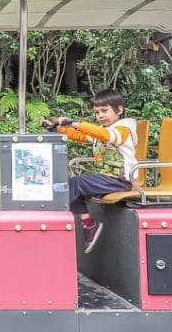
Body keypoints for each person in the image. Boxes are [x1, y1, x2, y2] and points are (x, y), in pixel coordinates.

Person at [42, 89, 138, 253]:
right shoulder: (104, 129)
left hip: (121, 180)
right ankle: (89, 225)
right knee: (70, 185)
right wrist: (56, 129)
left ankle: (54, 221)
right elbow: (82, 136)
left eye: (104, 110)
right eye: (96, 112)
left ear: (119, 110)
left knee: (75, 184)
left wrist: (75, 123)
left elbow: (105, 135)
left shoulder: (123, 129)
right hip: (107, 179)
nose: (100, 115)